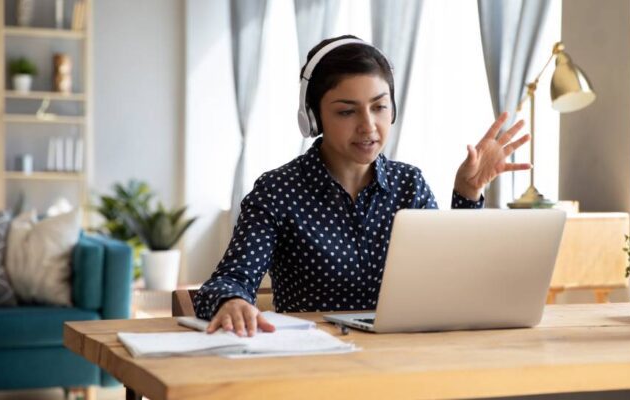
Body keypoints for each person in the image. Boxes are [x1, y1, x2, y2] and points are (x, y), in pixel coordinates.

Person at [193, 35, 531, 336]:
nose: (368, 126)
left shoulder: (408, 185)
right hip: (312, 364)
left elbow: (454, 281)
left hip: (403, 361)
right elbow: (227, 281)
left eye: (380, 107)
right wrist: (232, 301)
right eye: (346, 112)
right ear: (313, 117)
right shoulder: (278, 191)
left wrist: (467, 194)